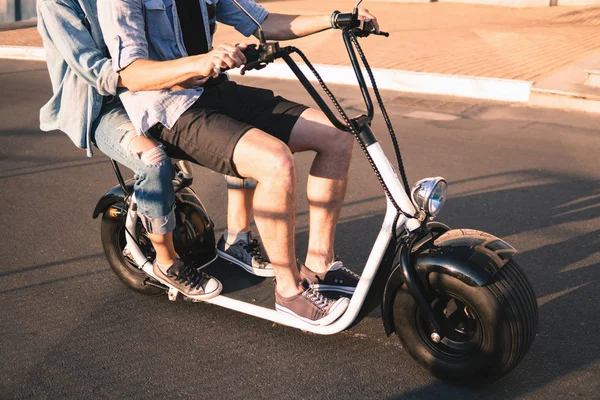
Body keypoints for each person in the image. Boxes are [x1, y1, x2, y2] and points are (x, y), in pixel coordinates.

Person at [98, 0, 379, 325]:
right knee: (275, 161)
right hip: (166, 107)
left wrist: (335, 19)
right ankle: (289, 292)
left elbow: (263, 21)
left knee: (337, 134)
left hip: (212, 90)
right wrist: (199, 63)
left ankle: (320, 266)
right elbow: (130, 73)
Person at [36, 0, 273, 301]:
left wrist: (185, 68)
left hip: (155, 85)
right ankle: (167, 262)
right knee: (153, 161)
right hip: (103, 102)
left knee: (240, 131)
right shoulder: (55, 2)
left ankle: (238, 240)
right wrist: (152, 74)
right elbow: (90, 65)